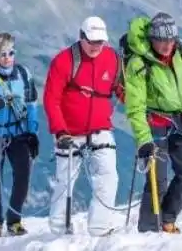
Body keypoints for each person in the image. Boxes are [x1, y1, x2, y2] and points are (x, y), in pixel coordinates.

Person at [43, 15, 123, 236]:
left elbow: (119, 89)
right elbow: (52, 99)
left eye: (101, 42)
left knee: (109, 175)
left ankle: (99, 226)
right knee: (65, 180)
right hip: (69, 132)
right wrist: (60, 131)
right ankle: (59, 230)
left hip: (101, 128)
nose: (97, 46)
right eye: (92, 41)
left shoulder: (113, 59)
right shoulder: (64, 61)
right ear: (81, 37)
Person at [123, 12, 182, 234]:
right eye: (161, 41)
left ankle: (167, 218)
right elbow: (134, 107)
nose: (167, 45)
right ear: (152, 39)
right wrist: (143, 140)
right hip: (155, 125)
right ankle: (148, 230)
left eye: (170, 40)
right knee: (158, 181)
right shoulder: (139, 63)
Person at [0, 32, 40, 237]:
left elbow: (31, 105)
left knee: (23, 176)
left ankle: (14, 220)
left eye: (11, 52)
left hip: (18, 134)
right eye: (3, 54)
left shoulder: (23, 74)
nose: (7, 57)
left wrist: (32, 132)